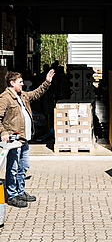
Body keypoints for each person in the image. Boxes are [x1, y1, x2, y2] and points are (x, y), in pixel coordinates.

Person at [0, 69, 55, 207]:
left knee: (24, 166)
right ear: (12, 83)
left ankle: (20, 191)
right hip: (14, 140)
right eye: (20, 82)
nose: (22, 84)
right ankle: (12, 195)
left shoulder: (22, 95)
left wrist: (47, 83)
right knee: (12, 168)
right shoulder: (4, 98)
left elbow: (36, 94)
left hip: (24, 139)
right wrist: (3, 133)